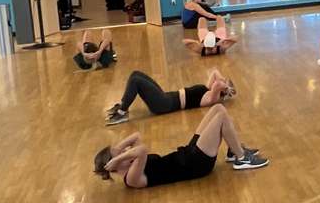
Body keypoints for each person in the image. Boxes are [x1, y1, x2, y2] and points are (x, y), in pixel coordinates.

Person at [92, 104, 268, 186]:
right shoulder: (131, 179)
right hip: (195, 165)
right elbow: (142, 150)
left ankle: (232, 152)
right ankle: (242, 159)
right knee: (221, 119)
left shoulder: (128, 163)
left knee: (218, 109)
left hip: (187, 154)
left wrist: (117, 153)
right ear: (114, 164)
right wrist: (117, 160)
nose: (122, 149)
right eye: (118, 152)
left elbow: (137, 137)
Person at [104, 68, 235, 125]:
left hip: (165, 104)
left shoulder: (212, 99)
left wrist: (227, 87)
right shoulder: (208, 89)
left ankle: (122, 113)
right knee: (136, 74)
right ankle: (123, 105)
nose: (222, 81)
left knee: (136, 81)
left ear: (222, 90)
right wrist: (225, 80)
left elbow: (218, 83)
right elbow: (215, 73)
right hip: (166, 96)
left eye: (224, 83)